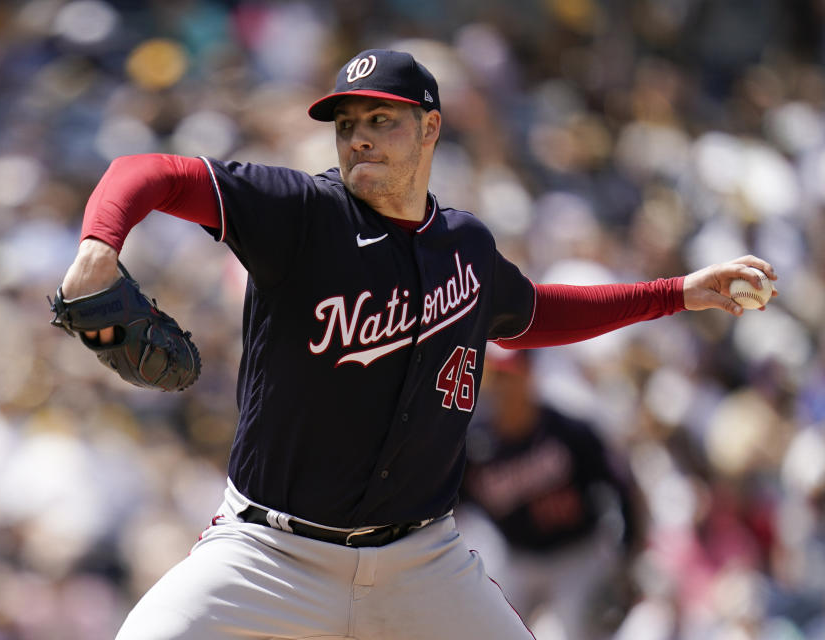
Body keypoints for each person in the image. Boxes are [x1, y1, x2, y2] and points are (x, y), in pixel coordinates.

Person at [57, 48, 777, 640]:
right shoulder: (301, 213)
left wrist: (676, 293)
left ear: (430, 130)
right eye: (346, 124)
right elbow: (146, 172)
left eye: (381, 119)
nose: (358, 136)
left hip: (420, 560)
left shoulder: (464, 246)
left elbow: (534, 313)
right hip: (271, 553)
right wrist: (98, 248)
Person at [457, 346, 646, 639]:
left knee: (580, 629)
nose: (502, 387)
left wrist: (628, 552)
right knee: (488, 630)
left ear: (529, 375)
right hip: (518, 559)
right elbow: (447, 507)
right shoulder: (475, 446)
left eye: (509, 376)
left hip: (578, 555)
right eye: (495, 379)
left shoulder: (567, 431)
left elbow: (620, 486)